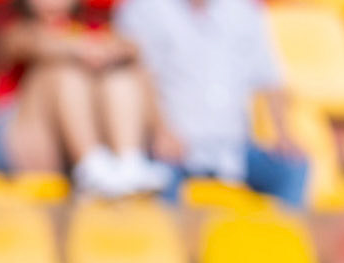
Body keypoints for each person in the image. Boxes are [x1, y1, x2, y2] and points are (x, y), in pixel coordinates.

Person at [114, 0, 309, 206]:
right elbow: (136, 77)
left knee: (293, 168)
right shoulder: (144, 9)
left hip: (234, 147)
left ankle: (281, 237)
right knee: (158, 178)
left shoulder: (244, 11)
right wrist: (161, 131)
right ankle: (167, 237)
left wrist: (283, 134)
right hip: (170, 147)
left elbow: (271, 78)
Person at [0, 0, 170, 198]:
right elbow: (25, 44)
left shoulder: (94, 29)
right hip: (18, 140)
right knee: (63, 72)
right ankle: (91, 166)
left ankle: (128, 162)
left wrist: (113, 51)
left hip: (74, 144)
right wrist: (82, 49)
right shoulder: (10, 27)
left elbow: (132, 52)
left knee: (119, 73)